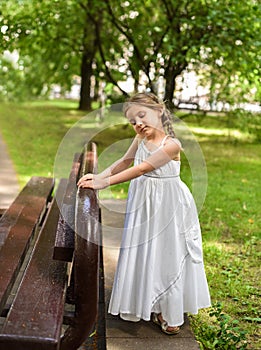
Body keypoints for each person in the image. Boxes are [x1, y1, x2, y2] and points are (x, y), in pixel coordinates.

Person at [77, 92, 211, 335]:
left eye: (142, 115)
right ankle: (146, 301)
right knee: (146, 250)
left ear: (159, 111)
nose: (137, 123)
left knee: (167, 252)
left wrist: (105, 185)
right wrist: (99, 176)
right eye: (132, 121)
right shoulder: (140, 138)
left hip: (167, 204)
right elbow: (126, 161)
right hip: (144, 203)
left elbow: (142, 168)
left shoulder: (171, 145)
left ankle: (169, 310)